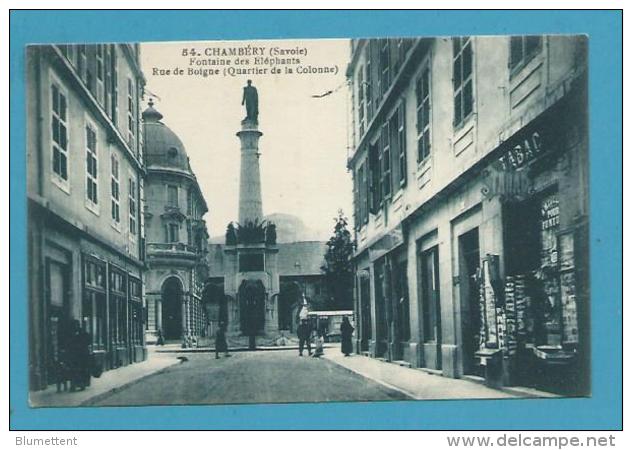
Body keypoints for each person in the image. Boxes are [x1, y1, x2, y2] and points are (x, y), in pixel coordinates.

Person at [67, 319, 92, 391]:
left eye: (76, 325)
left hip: (83, 355)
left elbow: (89, 340)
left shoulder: (83, 332)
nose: (75, 326)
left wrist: (82, 345)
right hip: (74, 355)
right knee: (74, 370)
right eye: (73, 325)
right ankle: (74, 385)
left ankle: (82, 385)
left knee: (82, 370)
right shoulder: (70, 333)